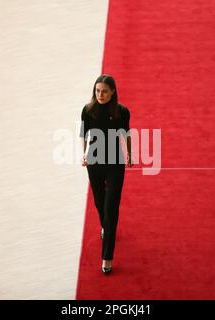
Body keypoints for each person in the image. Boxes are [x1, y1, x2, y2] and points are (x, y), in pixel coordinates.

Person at [79, 74, 133, 274]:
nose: (100, 95)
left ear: (113, 93)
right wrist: (84, 155)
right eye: (97, 91)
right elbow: (83, 134)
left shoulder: (121, 112)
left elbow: (126, 133)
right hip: (94, 162)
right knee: (99, 202)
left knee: (111, 208)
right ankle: (106, 226)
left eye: (104, 92)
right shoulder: (88, 110)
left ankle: (107, 257)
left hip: (114, 164)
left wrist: (130, 154)